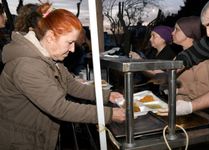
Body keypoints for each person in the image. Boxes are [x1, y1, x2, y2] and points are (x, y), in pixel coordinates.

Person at [0, 3, 125, 150]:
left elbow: (72, 86)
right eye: (69, 42)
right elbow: (60, 107)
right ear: (51, 37)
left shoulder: (50, 58)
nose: (72, 49)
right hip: (21, 141)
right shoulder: (27, 66)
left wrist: (107, 95)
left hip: (38, 134)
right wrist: (108, 114)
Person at [171, 16, 209, 101]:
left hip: (191, 110)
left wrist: (179, 89)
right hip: (175, 105)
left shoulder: (202, 59)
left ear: (189, 32)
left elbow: (204, 88)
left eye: (177, 29)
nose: (172, 33)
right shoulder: (179, 56)